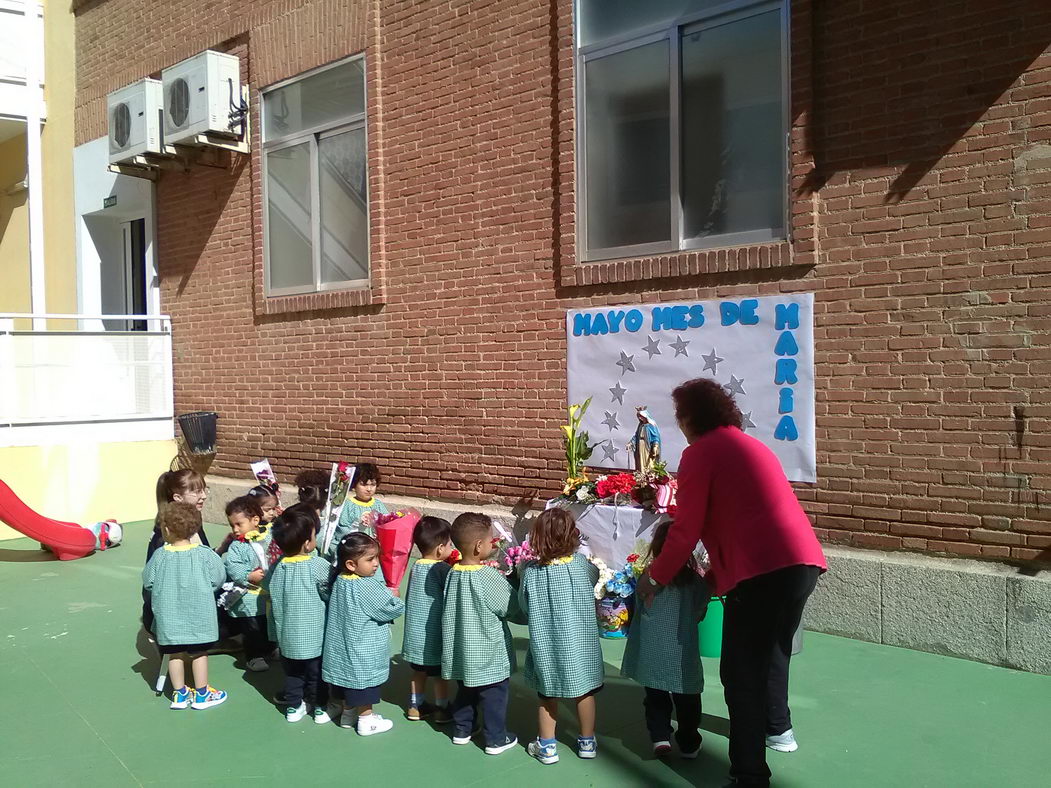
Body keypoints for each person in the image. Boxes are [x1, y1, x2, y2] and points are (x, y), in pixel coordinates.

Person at [637, 378, 827, 788]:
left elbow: (685, 530)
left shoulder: (699, 454)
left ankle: (748, 774)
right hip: (802, 564)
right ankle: (779, 729)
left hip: (762, 573)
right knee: (775, 653)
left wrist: (653, 577)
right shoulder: (752, 446)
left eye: (679, 417)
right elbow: (741, 520)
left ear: (691, 417)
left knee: (741, 675)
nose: (679, 425)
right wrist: (716, 581)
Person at [518, 508, 603, 765]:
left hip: (548, 645)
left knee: (547, 696)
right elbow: (595, 578)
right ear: (572, 535)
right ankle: (587, 741)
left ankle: (547, 747)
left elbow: (523, 605)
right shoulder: (581, 566)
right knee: (585, 693)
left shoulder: (530, 572)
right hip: (580, 645)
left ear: (538, 538)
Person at [622, 520, 708, 758]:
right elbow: (701, 611)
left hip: (653, 649)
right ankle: (689, 742)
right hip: (682, 650)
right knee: (688, 698)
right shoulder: (695, 581)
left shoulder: (648, 577)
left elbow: (638, 604)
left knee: (656, 695)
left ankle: (660, 737)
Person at [441, 512, 521, 756]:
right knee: (494, 693)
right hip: (488, 650)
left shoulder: (452, 573)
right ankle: (495, 738)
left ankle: (462, 730)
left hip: (461, 649)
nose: (492, 544)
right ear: (478, 546)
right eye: (490, 541)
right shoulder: (487, 576)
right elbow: (509, 607)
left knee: (466, 689)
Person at [142, 502, 227, 710]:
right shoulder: (206, 554)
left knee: (175, 653)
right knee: (199, 653)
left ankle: (179, 694)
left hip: (170, 619)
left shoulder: (160, 555)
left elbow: (148, 581)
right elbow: (218, 579)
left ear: (167, 530)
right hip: (199, 617)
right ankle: (202, 693)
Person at [322, 533, 405, 736]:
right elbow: (388, 608)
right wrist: (395, 597)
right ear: (351, 564)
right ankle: (366, 720)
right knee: (363, 685)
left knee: (346, 682)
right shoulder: (365, 586)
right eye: (370, 559)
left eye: (376, 557)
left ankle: (347, 715)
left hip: (342, 646)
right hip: (362, 647)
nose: (376, 564)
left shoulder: (340, 580)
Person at [265, 503, 333, 724]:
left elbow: (272, 591)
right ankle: (320, 707)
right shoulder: (318, 565)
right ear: (307, 543)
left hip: (288, 637)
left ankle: (294, 707)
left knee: (293, 674)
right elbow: (328, 591)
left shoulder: (278, 567)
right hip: (315, 637)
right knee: (316, 675)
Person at [142, 470, 210, 634]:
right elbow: (154, 583)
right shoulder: (166, 535)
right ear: (178, 497)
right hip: (174, 611)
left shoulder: (192, 521)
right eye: (196, 491)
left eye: (204, 490)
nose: (204, 496)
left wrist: (221, 549)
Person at [401, 517, 454, 722]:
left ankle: (415, 705)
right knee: (439, 675)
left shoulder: (416, 566)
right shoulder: (441, 569)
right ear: (440, 549)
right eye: (450, 544)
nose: (451, 548)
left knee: (419, 672)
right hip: (434, 634)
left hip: (416, 633)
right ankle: (442, 708)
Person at [222, 496, 276, 672]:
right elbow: (233, 566)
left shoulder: (271, 535)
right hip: (250, 595)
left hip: (270, 592)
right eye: (232, 525)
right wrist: (247, 575)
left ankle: (269, 648)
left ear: (255, 520)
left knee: (269, 624)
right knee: (252, 627)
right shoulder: (237, 546)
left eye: (239, 524)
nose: (235, 530)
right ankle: (254, 656)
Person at [334, 463, 389, 542]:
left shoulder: (378, 505)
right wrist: (357, 525)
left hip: (375, 545)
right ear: (354, 485)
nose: (369, 489)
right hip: (355, 546)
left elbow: (386, 522)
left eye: (373, 484)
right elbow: (342, 529)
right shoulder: (349, 505)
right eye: (364, 485)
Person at [627, 406, 662, 473]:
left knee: (647, 460)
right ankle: (641, 474)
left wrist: (655, 446)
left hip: (647, 446)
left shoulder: (651, 424)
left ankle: (648, 474)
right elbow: (636, 435)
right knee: (640, 460)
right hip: (639, 445)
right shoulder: (640, 425)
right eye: (638, 416)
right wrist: (631, 443)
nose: (640, 418)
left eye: (641, 416)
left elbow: (655, 436)